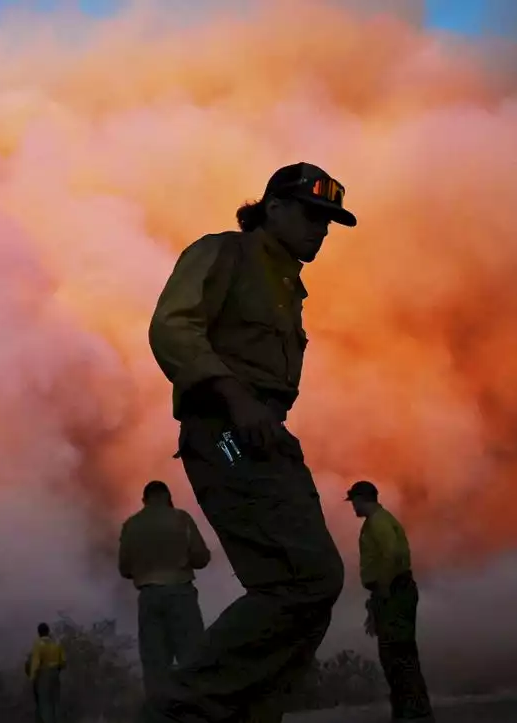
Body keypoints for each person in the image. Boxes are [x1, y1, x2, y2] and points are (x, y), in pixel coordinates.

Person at [143, 162, 357, 723]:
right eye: (313, 215)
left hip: (262, 434)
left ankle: (244, 712)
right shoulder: (225, 254)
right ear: (274, 208)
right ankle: (180, 709)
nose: (322, 230)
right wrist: (236, 399)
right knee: (306, 579)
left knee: (310, 586)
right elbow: (172, 327)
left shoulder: (287, 283)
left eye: (329, 221)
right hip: (225, 435)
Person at [346, 480, 434, 722]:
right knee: (395, 653)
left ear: (363, 499)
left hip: (394, 592)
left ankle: (414, 712)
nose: (352, 506)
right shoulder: (380, 520)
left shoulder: (378, 522)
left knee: (398, 653)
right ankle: (408, 710)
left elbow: (391, 554)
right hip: (393, 592)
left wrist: (383, 588)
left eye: (354, 500)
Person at [119, 480, 212, 699]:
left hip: (149, 596)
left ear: (145, 500)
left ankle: (160, 714)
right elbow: (201, 557)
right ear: (168, 498)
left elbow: (124, 568)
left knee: (155, 665)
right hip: (180, 593)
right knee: (192, 658)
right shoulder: (181, 519)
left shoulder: (131, 525)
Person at [27, 622, 67, 723]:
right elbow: (63, 662)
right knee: (55, 701)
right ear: (48, 632)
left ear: (39, 633)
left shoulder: (38, 644)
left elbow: (36, 663)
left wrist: (33, 678)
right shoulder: (56, 643)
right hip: (55, 674)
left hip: (43, 675)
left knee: (44, 703)